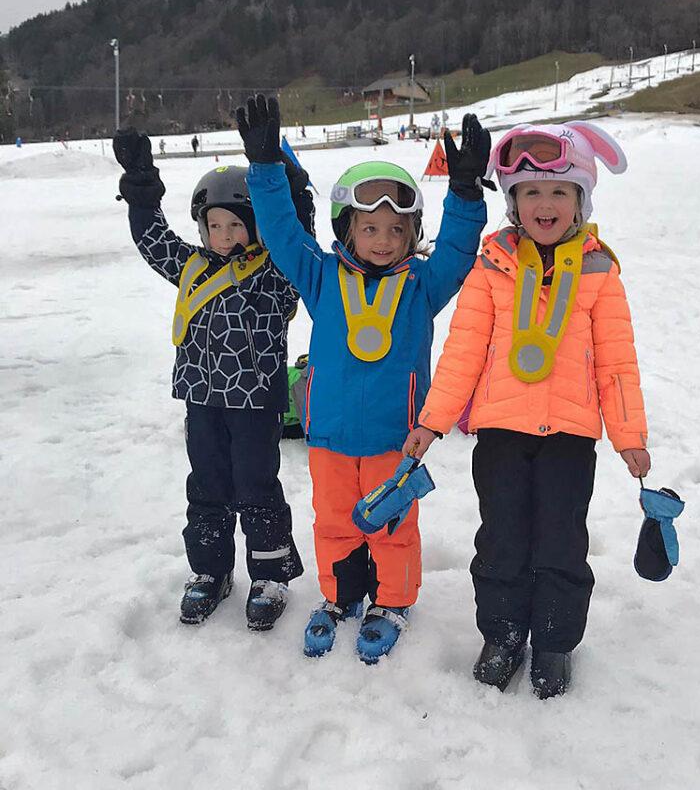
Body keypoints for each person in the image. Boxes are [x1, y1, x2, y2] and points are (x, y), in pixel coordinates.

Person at [238, 95, 490, 664]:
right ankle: (341, 597)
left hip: (393, 441)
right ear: (346, 229)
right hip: (327, 437)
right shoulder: (321, 277)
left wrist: (467, 192)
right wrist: (264, 167)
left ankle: (393, 601)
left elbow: (456, 249)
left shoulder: (423, 287)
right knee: (333, 523)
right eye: (369, 227)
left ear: (410, 235)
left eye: (395, 230)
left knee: (392, 528)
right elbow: (279, 233)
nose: (382, 239)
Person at [403, 121, 649, 698]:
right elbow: (463, 352)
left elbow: (616, 364)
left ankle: (556, 641)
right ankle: (504, 632)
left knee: (562, 540)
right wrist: (432, 421)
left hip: (570, 438)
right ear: (512, 202)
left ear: (581, 201)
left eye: (560, 191)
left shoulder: (599, 272)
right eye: (531, 192)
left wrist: (629, 434)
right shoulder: (492, 269)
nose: (545, 204)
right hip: (501, 436)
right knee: (502, 539)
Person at [112, 128, 314, 630]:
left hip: (255, 404)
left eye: (236, 225)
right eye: (214, 225)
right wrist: (141, 185)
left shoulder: (276, 270)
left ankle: (270, 576)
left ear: (257, 225)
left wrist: (290, 190)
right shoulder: (192, 267)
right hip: (201, 402)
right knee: (207, 487)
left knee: (256, 487)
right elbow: (151, 239)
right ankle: (209, 571)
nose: (224, 235)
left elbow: (299, 238)